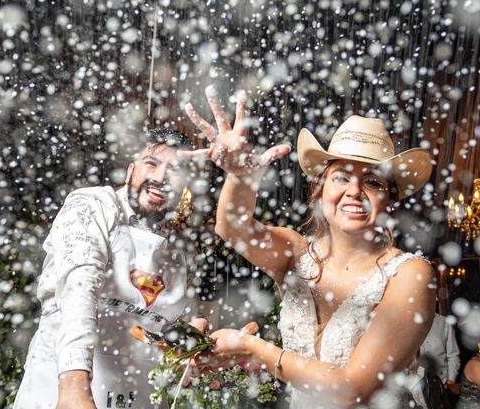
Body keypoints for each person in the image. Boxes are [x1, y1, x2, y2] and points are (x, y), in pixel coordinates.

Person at [181, 88, 437, 408]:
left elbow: (351, 390)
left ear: (390, 199)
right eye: (341, 178)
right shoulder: (296, 253)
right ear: (320, 188)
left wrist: (252, 349)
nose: (354, 191)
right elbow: (232, 228)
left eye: (372, 182)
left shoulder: (410, 275)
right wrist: (241, 176)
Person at [13, 128, 208, 409]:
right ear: (130, 170)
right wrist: (73, 388)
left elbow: (163, 327)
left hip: (142, 396)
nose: (160, 178)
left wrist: (189, 338)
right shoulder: (91, 206)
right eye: (151, 164)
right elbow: (79, 294)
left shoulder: (179, 248)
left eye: (175, 171)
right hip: (64, 389)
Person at [420, 313, 460, 386]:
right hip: (417, 384)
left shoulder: (444, 322)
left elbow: (453, 355)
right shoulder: (408, 323)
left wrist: (451, 380)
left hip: (441, 382)